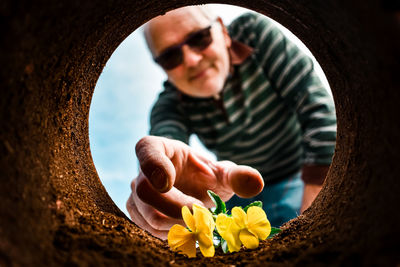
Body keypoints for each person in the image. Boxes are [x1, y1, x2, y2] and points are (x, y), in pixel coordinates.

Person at [126, 5, 336, 240]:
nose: (192, 60)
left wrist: (316, 207)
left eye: (199, 38)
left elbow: (318, 108)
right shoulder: (169, 105)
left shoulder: (256, 35)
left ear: (223, 33)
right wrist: (160, 187)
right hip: (235, 194)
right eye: (170, 57)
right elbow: (164, 146)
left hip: (300, 173)